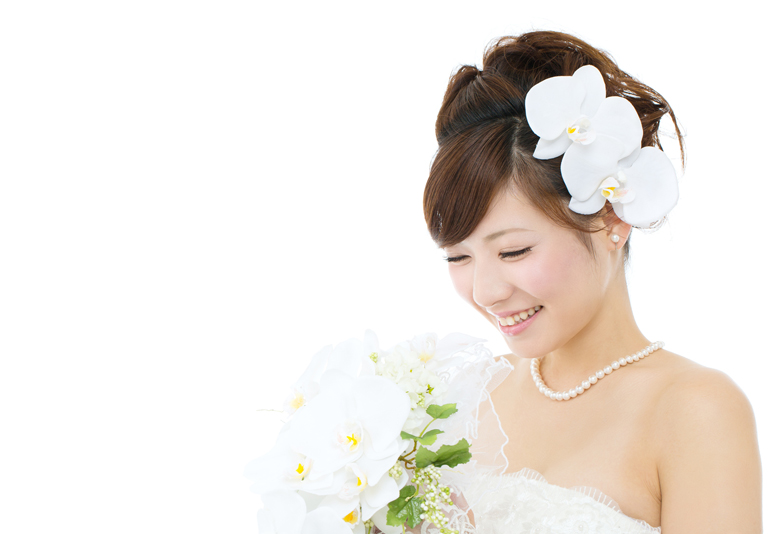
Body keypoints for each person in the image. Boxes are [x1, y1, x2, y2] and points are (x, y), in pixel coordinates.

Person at [422, 31, 762, 532]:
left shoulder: (695, 410)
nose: (484, 291)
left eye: (513, 250)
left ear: (609, 219)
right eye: (458, 257)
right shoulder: (465, 400)